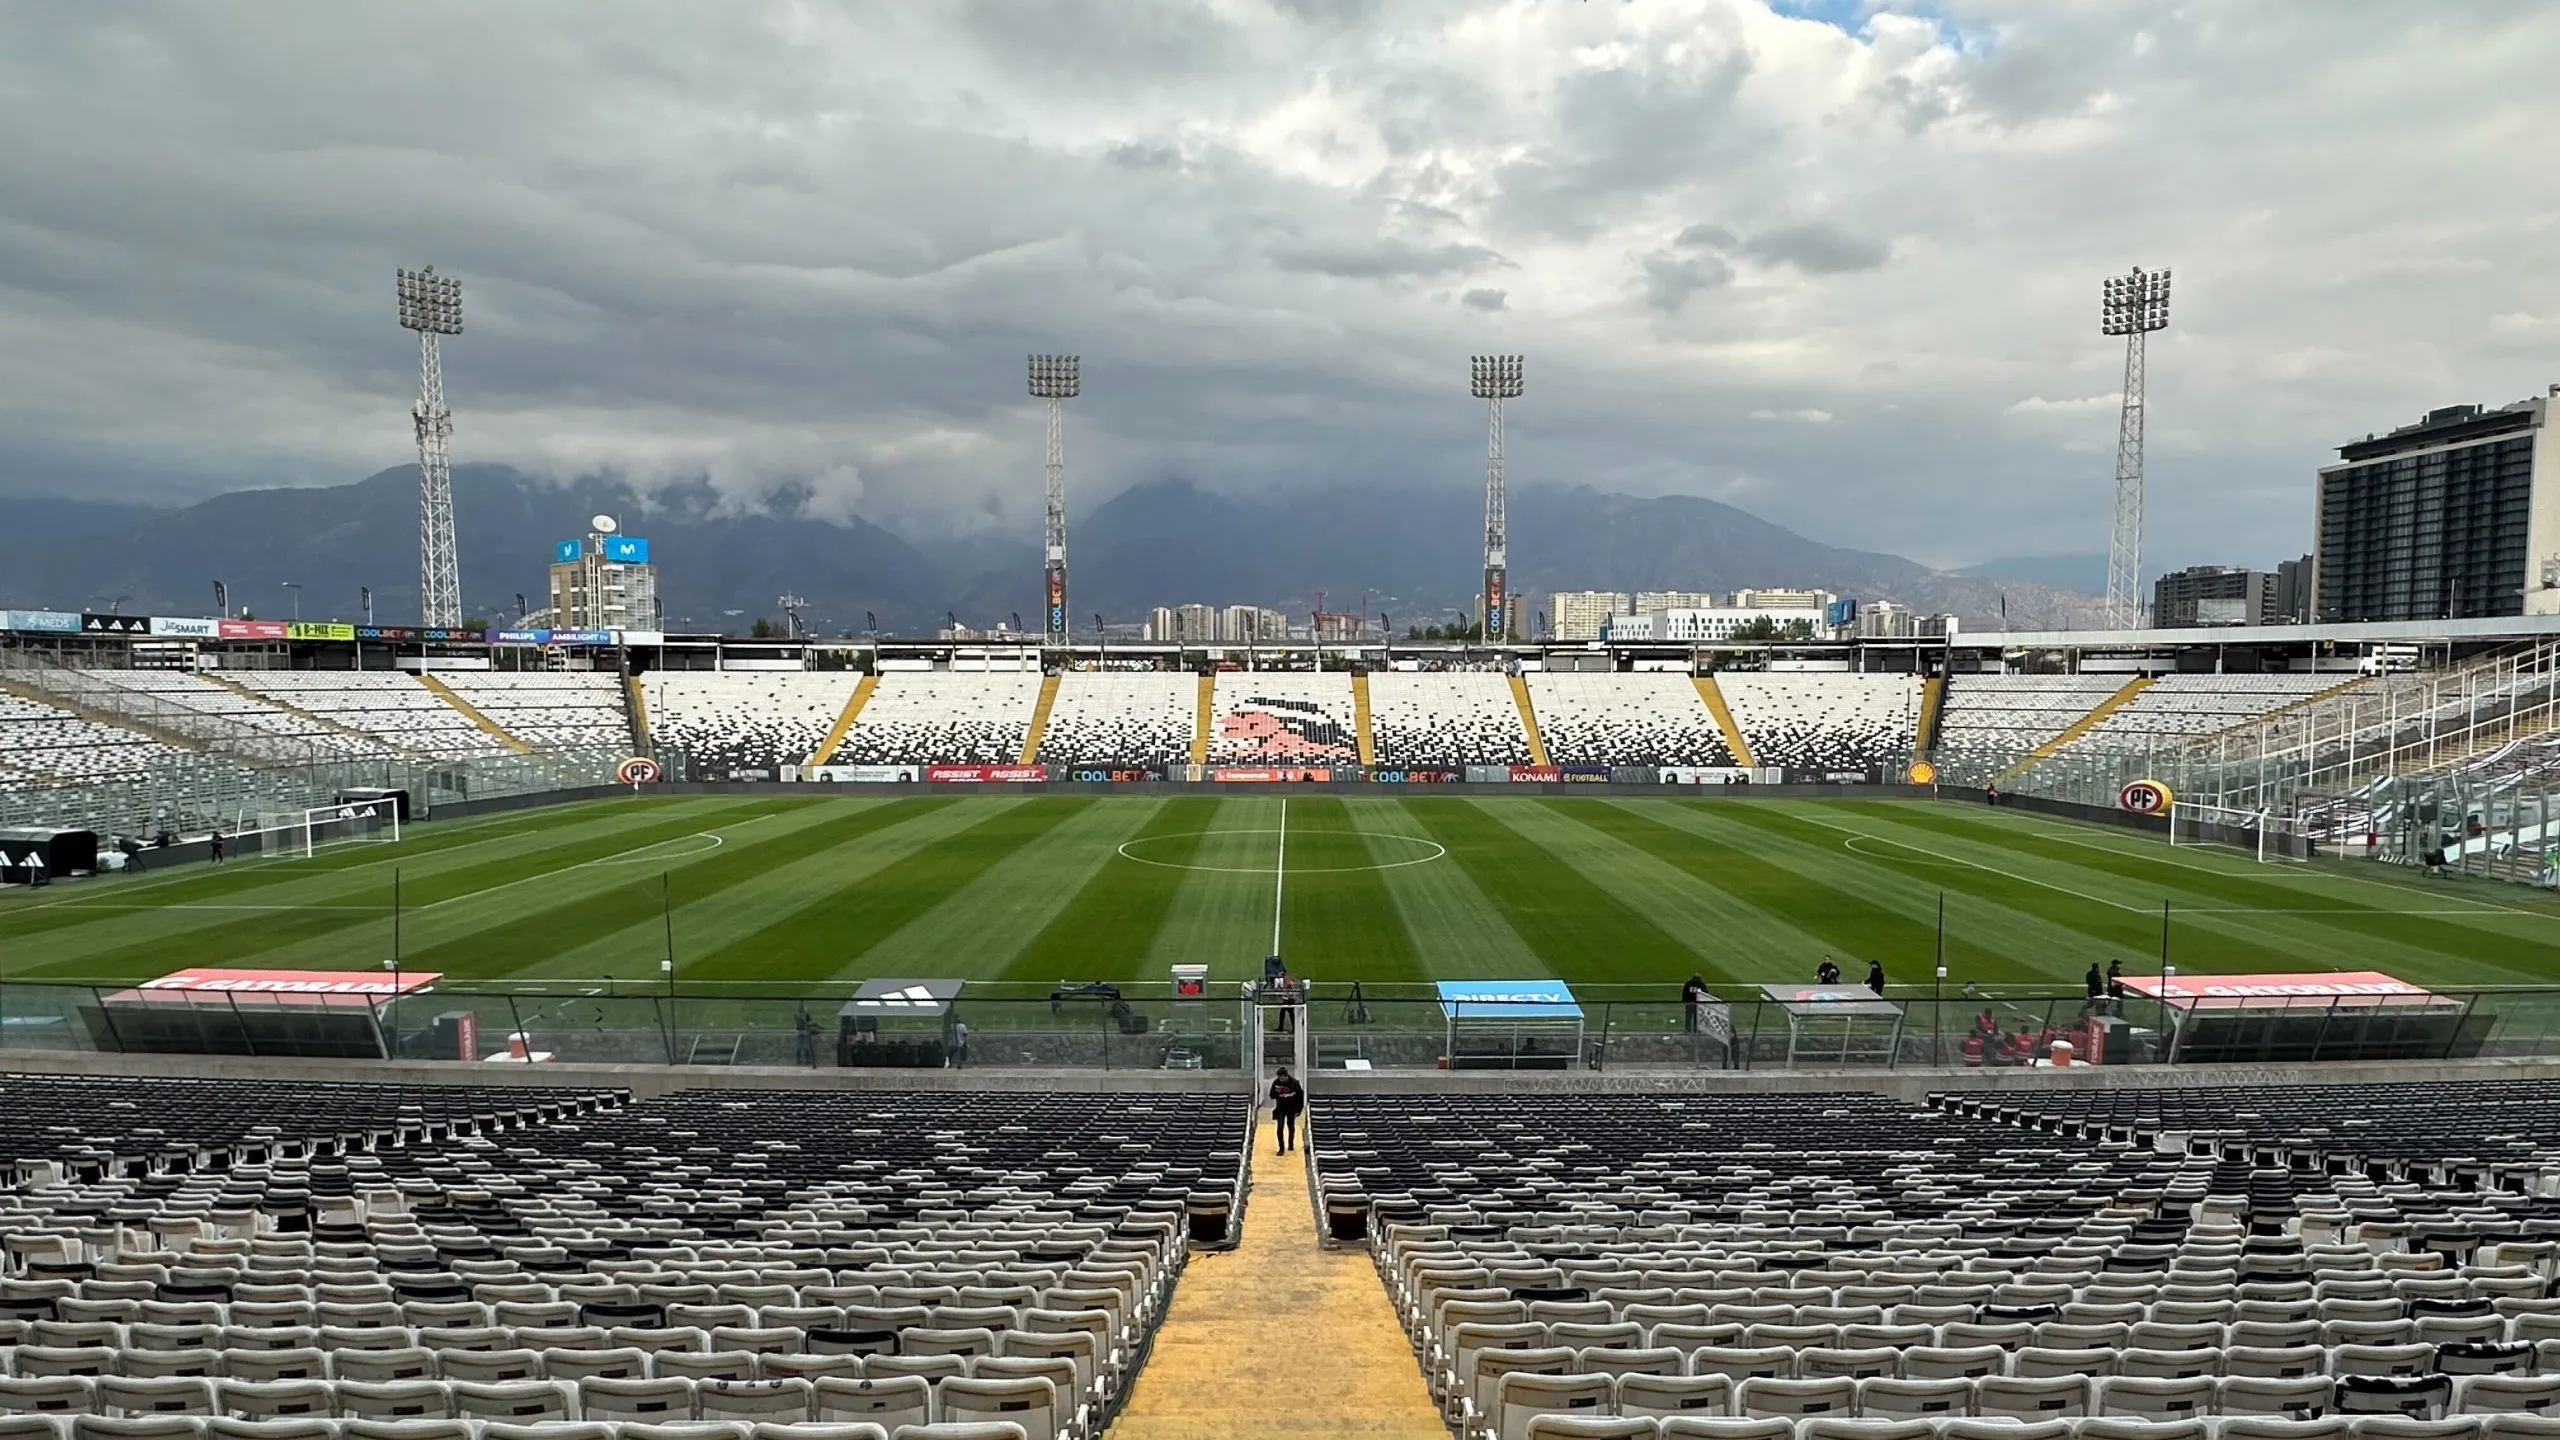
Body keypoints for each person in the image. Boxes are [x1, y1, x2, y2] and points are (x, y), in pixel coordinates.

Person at [1268, 1065, 1306, 1155]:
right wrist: (1276, 1092)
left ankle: (1290, 1144)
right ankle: (1281, 1148)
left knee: (1291, 1126)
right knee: (1280, 1128)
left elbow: (1300, 1097)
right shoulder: (1276, 1082)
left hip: (1291, 1108)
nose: (1280, 1080)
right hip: (1280, 1108)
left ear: (1285, 1076)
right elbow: (1271, 1095)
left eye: (1281, 1078)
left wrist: (1299, 1110)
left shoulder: (1294, 1083)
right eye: (1279, 1078)